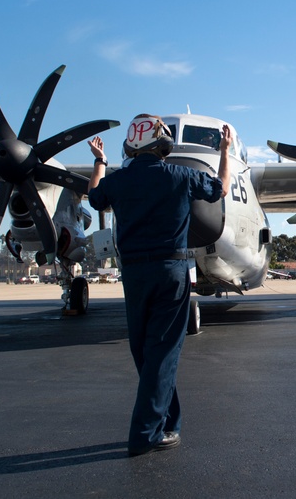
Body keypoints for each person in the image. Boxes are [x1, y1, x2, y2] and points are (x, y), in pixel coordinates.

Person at [87, 114, 231, 456]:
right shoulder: (180, 175)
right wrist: (224, 151)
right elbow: (220, 188)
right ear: (164, 144)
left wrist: (99, 162)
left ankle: (168, 420)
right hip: (171, 270)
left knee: (145, 352)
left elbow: (94, 197)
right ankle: (144, 435)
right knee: (162, 353)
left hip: (134, 275)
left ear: (130, 146)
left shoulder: (118, 181)